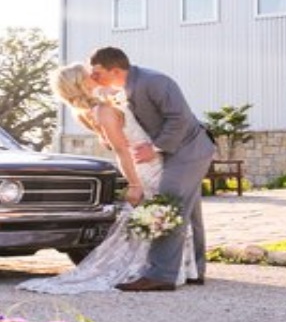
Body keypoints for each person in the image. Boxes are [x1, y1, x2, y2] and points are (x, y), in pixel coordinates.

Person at [17, 63, 199, 294]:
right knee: (162, 212)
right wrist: (134, 184)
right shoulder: (103, 111)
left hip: (152, 159)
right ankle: (152, 270)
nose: (95, 75)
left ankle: (175, 269)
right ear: (81, 83)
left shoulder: (100, 108)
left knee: (167, 212)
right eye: (88, 74)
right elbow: (121, 150)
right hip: (146, 165)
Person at [86, 46, 216, 292]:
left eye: (97, 73)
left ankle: (160, 275)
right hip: (177, 149)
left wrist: (154, 148)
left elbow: (179, 118)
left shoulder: (155, 81)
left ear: (114, 70)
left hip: (190, 148)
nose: (94, 78)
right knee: (191, 211)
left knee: (169, 202)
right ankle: (196, 271)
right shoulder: (125, 88)